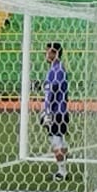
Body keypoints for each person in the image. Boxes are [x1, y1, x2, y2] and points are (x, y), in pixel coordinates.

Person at [42, 41, 70, 180]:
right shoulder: (57, 69)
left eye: (47, 51)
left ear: (55, 53)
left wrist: (46, 112)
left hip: (56, 112)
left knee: (55, 143)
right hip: (62, 112)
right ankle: (63, 168)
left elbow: (52, 91)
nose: (45, 53)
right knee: (60, 141)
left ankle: (62, 173)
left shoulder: (57, 70)